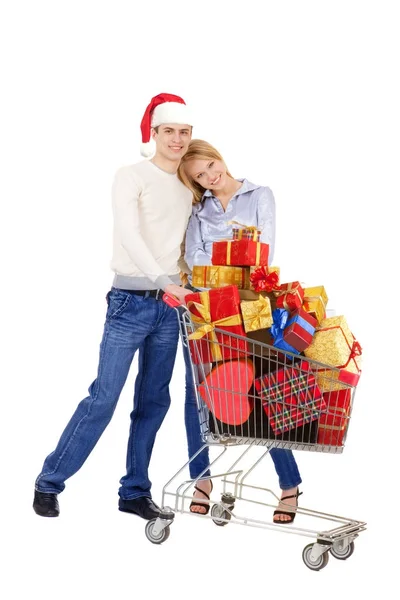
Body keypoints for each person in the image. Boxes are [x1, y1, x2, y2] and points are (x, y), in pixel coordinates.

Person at [33, 93, 202, 521]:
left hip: (171, 308)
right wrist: (164, 281)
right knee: (104, 397)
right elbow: (129, 234)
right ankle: (49, 482)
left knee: (153, 401)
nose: (177, 139)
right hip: (130, 303)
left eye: (185, 132)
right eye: (170, 132)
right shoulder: (131, 176)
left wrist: (187, 285)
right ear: (155, 134)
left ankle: (134, 492)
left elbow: (183, 246)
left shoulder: (188, 185)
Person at [177, 139, 303, 523]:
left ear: (219, 157)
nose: (211, 176)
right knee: (197, 391)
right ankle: (202, 479)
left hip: (250, 307)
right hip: (205, 311)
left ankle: (289, 484)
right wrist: (233, 250)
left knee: (261, 385)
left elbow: (263, 252)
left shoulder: (260, 195)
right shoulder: (199, 210)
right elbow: (192, 257)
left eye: (211, 165)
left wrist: (222, 260)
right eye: (200, 176)